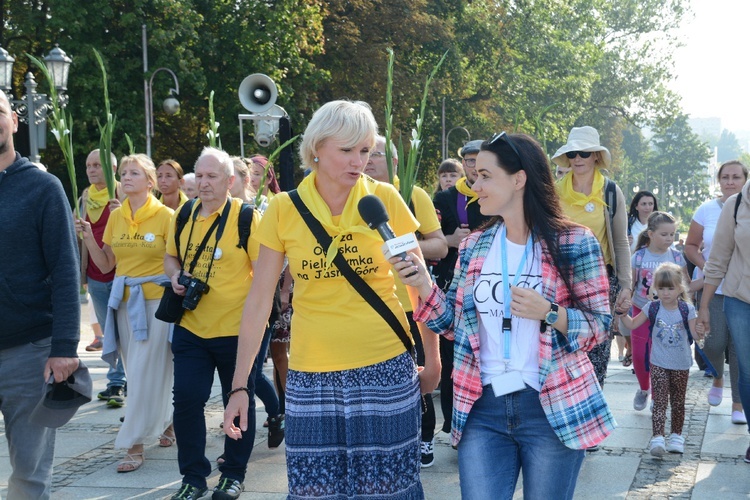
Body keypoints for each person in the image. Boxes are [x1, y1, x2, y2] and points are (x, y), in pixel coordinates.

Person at [224, 100, 440, 499]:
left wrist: (433, 360)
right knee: (315, 491)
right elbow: (258, 302)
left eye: (365, 150)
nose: (358, 161)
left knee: (388, 490)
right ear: (317, 148)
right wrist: (240, 386)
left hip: (385, 368)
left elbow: (416, 286)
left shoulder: (385, 198)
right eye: (347, 150)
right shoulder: (285, 208)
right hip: (310, 376)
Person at [393, 132, 615, 499]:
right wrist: (422, 285)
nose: (474, 185)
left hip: (550, 405)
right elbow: (452, 325)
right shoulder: (474, 245)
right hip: (482, 407)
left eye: (484, 176)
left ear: (518, 178)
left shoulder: (575, 241)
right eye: (474, 176)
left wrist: (551, 313)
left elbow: (600, 326)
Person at [163, 147, 262, 500]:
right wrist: (175, 276)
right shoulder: (185, 212)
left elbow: (267, 271)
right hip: (191, 326)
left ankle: (233, 474)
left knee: (239, 398)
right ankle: (192, 477)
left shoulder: (247, 218)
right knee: (186, 400)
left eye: (212, 176)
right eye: (200, 176)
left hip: (237, 330)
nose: (203, 183)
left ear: (230, 181)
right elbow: (171, 255)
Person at [0, 90, 81, 499]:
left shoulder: (43, 188)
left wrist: (65, 346)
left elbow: (67, 272)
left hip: (28, 351)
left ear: (14, 119)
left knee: (29, 474)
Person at [76, 154, 175, 473]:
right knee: (137, 372)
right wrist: (89, 238)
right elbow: (106, 265)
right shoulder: (115, 217)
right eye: (123, 173)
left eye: (134, 173)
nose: (126, 177)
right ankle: (168, 421)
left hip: (157, 306)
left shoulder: (166, 217)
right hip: (124, 305)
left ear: (150, 182)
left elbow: (177, 260)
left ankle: (133, 445)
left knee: (145, 373)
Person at [365, 134, 448, 466]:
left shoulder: (412, 194)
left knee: (419, 380)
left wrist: (403, 246)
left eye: (375, 154)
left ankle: (424, 438)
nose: (368, 160)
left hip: (411, 305)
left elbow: (439, 246)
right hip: (370, 311)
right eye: (363, 153)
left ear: (395, 162)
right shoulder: (350, 198)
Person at [553, 126, 631, 388]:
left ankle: (593, 407)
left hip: (600, 281)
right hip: (560, 280)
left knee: (597, 348)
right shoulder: (553, 192)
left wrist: (626, 284)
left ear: (596, 156)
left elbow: (620, 241)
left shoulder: (610, 191)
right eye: (573, 153)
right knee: (563, 347)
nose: (577, 159)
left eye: (584, 153)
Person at [432, 139, 491, 433]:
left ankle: (479, 422)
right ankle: (453, 424)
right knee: (451, 356)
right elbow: (427, 239)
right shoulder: (444, 199)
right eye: (469, 161)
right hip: (452, 284)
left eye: (481, 161)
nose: (474, 167)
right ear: (463, 164)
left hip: (489, 286)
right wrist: (448, 240)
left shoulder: (497, 194)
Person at [687, 160, 748, 424]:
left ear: (745, 179)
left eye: (736, 177)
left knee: (740, 354)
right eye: (725, 177)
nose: (730, 181)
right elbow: (693, 246)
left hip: (739, 292)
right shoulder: (713, 209)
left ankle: (738, 403)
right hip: (718, 288)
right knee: (712, 343)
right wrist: (706, 268)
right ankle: (718, 377)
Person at [620, 262, 700, 456]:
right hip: (658, 363)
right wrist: (621, 313)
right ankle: (657, 438)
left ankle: (676, 436)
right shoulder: (652, 307)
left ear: (680, 288)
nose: (665, 293)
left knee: (678, 401)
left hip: (681, 363)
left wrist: (703, 328)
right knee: (660, 401)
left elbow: (696, 335)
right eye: (662, 288)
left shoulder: (687, 309)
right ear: (655, 288)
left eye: (670, 288)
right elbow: (631, 324)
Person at [698, 176, 750, 462]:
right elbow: (717, 258)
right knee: (748, 371)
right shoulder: (737, 203)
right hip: (741, 301)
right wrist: (704, 307)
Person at [628, 211, 696, 411]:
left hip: (669, 313)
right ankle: (643, 389)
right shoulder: (639, 257)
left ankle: (658, 397)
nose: (669, 239)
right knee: (640, 355)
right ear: (650, 234)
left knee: (662, 356)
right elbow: (631, 284)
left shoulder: (676, 256)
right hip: (641, 309)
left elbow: (686, 285)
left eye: (672, 234)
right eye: (664, 234)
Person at [79, 148, 128, 407]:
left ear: (112, 169)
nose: (91, 170)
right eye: (89, 165)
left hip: (122, 273)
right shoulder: (86, 197)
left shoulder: (123, 193)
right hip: (95, 274)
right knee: (109, 331)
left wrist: (123, 210)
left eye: (98, 165)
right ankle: (115, 381)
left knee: (127, 329)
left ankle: (130, 377)